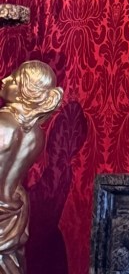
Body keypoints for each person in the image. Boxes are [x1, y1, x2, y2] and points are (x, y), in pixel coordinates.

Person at [0, 61, 62, 273]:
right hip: (14, 211)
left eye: (14, 80)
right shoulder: (37, 134)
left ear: (26, 93)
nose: (5, 79)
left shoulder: (3, 124)